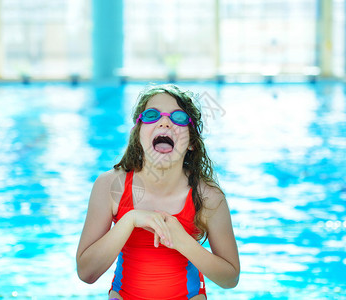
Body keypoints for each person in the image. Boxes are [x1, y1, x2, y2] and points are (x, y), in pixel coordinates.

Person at [76, 84, 240, 299]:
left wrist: (182, 241)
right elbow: (86, 273)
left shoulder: (208, 197)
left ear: (191, 142)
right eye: (152, 115)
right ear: (138, 134)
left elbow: (230, 279)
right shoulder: (109, 186)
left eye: (179, 118)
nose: (165, 122)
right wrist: (130, 220)